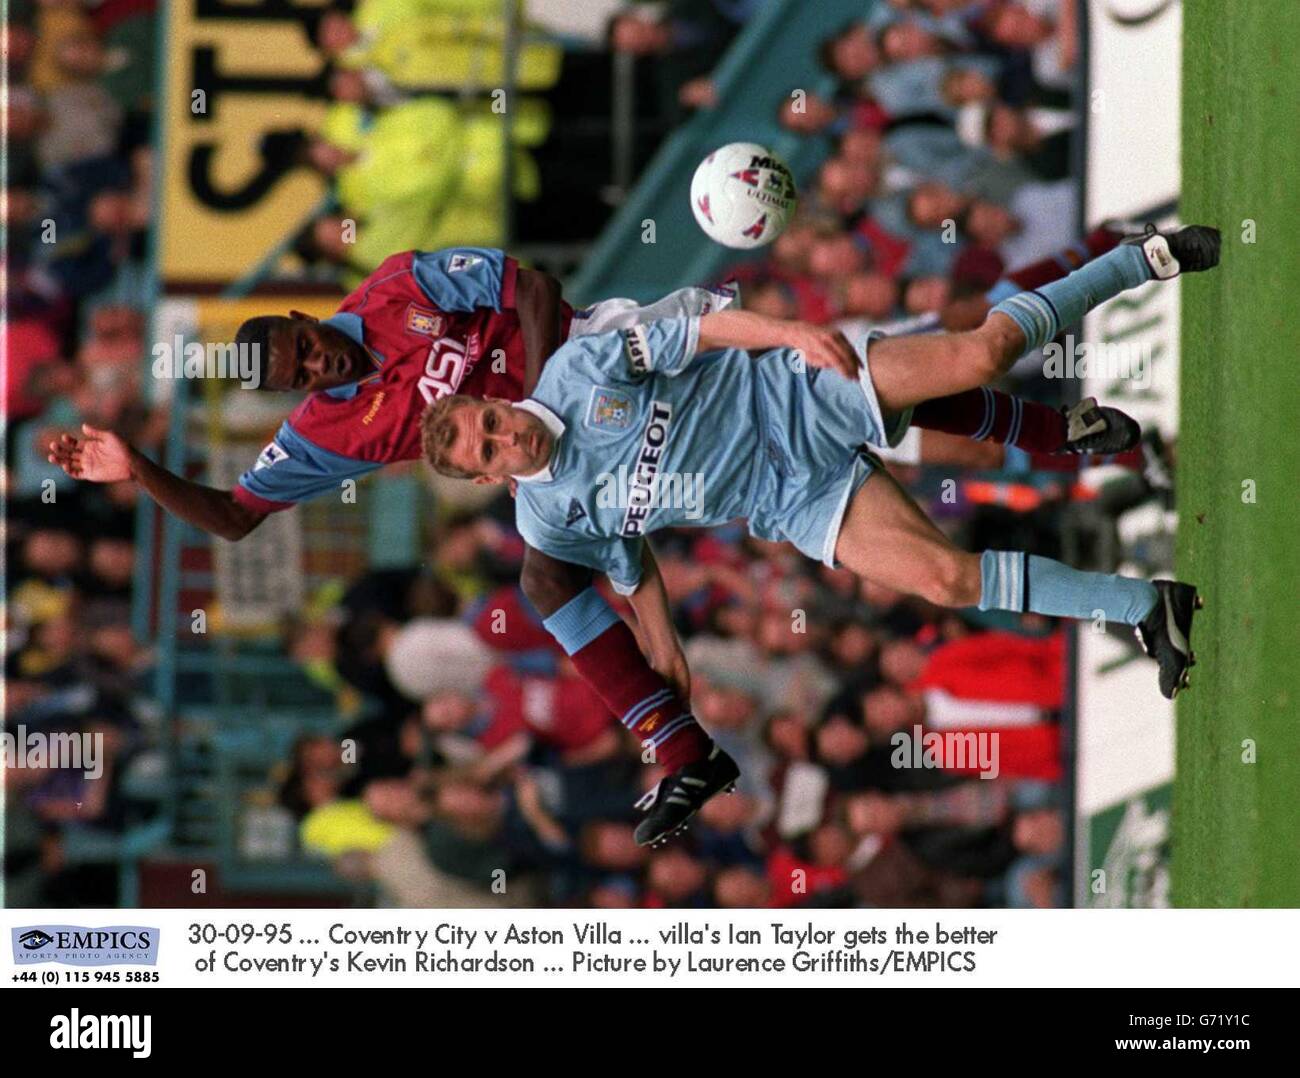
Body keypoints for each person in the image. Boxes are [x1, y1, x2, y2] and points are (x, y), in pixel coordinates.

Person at [420, 224, 1220, 847]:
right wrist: (665, 648)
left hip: (798, 393)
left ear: (493, 401)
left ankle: (1138, 259)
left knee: (986, 351)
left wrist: (793, 335)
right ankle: (1147, 607)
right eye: (487, 452)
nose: (504, 439)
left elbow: (703, 332)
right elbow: (629, 559)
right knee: (946, 581)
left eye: (489, 422)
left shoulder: (576, 371)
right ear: (489, 478)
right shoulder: (547, 516)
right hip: (791, 498)